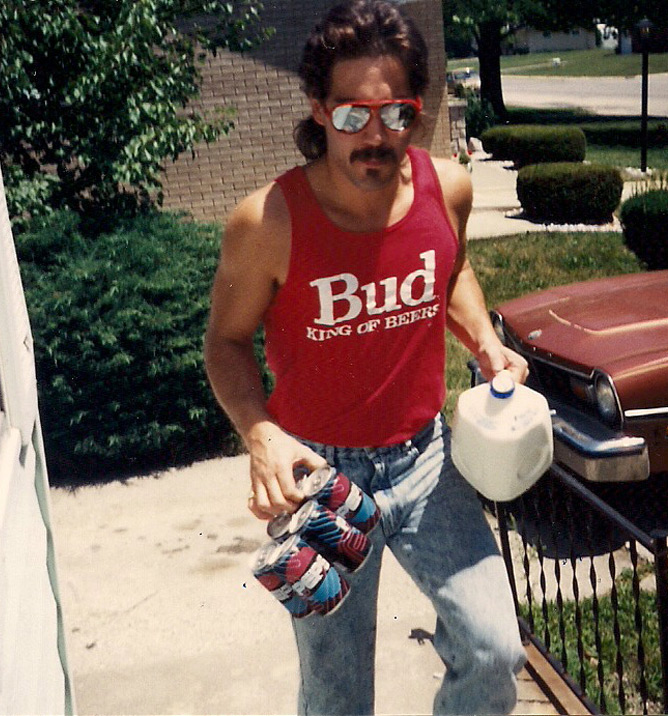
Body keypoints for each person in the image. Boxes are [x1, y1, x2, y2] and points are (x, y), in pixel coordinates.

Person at [202, 1, 529, 713]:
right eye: (353, 115)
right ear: (320, 109)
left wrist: (486, 342)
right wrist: (259, 436)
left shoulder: (451, 188)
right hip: (320, 481)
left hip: (426, 461)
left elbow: (451, 271)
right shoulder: (269, 221)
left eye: (396, 114)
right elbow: (225, 343)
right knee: (336, 689)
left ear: (417, 110)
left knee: (495, 650)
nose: (374, 136)